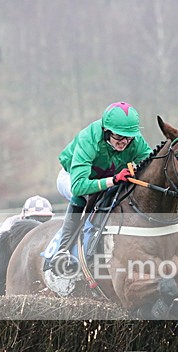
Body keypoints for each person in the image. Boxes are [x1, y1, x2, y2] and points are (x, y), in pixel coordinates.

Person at [47, 101, 152, 274]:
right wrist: (113, 180)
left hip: (109, 177)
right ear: (106, 131)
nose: (124, 142)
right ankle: (62, 251)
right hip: (74, 178)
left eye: (128, 137)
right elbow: (80, 185)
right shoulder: (88, 139)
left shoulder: (135, 140)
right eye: (118, 136)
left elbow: (149, 165)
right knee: (80, 195)